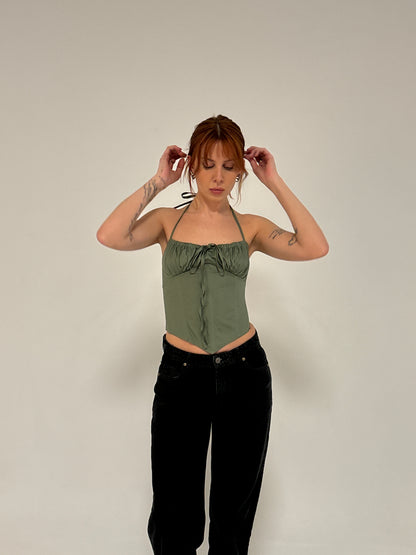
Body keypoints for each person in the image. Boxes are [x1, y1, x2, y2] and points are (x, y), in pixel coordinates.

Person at [96, 114, 329, 555]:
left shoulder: (252, 227)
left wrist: (274, 181)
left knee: (233, 512)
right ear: (192, 166)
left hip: (244, 371)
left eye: (228, 166)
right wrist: (159, 181)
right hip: (180, 373)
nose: (218, 177)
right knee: (173, 509)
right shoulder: (165, 222)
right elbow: (109, 235)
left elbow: (315, 246)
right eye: (207, 165)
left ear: (240, 170)